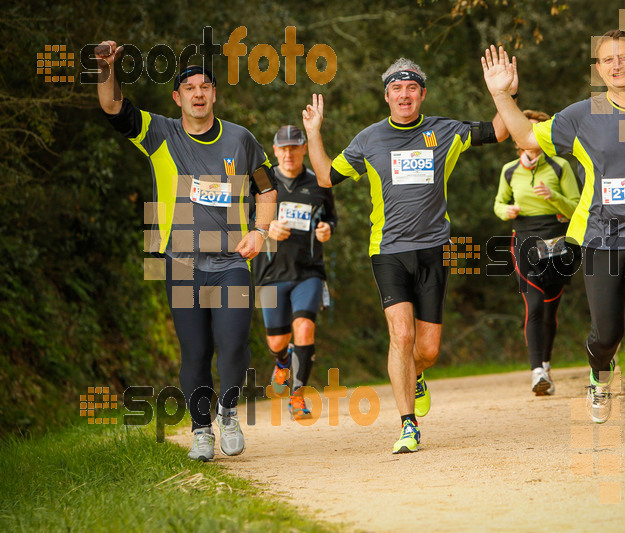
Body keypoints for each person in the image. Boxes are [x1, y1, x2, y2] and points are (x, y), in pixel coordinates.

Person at [482, 31, 625, 445]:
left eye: (623, 58)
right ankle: (598, 374)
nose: (615, 65)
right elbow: (526, 138)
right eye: (607, 60)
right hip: (597, 239)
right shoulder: (582, 115)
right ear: (597, 69)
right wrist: (503, 98)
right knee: (605, 334)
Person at [301, 58, 510, 453]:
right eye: (396, 89)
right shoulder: (369, 139)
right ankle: (407, 425)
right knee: (401, 334)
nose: (404, 95)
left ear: (422, 94)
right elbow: (327, 176)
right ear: (387, 96)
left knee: (427, 349)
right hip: (389, 251)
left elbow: (499, 131)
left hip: (435, 251)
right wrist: (314, 133)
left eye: (411, 88)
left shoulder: (446, 130)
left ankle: (416, 376)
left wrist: (502, 92)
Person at [95, 42, 277, 461]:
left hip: (232, 262)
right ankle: (201, 431)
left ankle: (227, 413)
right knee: (194, 351)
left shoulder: (242, 139)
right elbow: (112, 107)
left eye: (206, 86)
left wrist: (260, 230)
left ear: (214, 94)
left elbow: (266, 188)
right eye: (190, 88)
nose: (198, 93)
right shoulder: (160, 133)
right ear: (177, 98)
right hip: (180, 263)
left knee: (233, 346)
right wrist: (106, 69)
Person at [493, 109, 580, 396]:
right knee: (534, 305)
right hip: (524, 241)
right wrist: (507, 210)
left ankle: (545, 363)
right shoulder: (509, 170)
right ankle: (536, 372)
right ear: (516, 138)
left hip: (557, 242)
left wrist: (553, 197)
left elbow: (577, 207)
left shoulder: (559, 167)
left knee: (550, 308)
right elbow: (498, 203)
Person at [254, 125, 337, 420]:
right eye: (283, 148)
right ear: (275, 151)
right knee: (276, 341)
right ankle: (282, 359)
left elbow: (329, 218)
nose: (289, 153)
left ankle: (298, 396)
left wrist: (327, 230)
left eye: (294, 147)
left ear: (303, 149)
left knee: (304, 327)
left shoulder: (320, 182)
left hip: (308, 271)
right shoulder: (262, 180)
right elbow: (241, 216)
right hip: (270, 273)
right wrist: (265, 227)